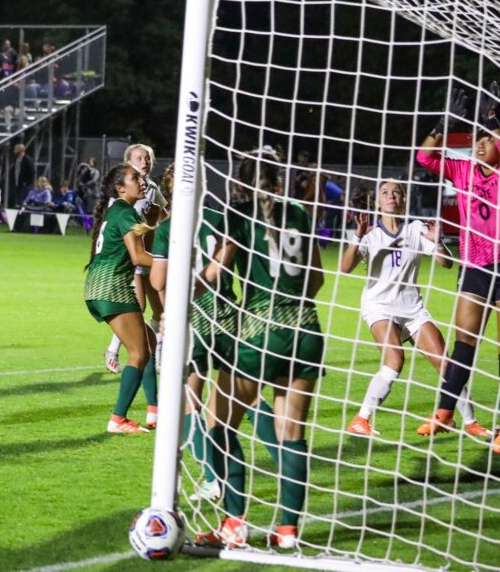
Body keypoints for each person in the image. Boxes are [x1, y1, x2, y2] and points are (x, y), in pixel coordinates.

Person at [196, 152, 324, 549]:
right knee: (292, 433)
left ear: (239, 183)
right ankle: (287, 530)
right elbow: (316, 278)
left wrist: (181, 301)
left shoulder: (238, 215)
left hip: (259, 327)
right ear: (279, 182)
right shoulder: (300, 214)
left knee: (218, 426)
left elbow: (216, 272)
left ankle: (234, 523)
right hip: (304, 328)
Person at [149, 165, 279, 502]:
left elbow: (158, 282)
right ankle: (284, 458)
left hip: (192, 317)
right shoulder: (221, 218)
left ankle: (212, 478)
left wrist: (165, 314)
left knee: (191, 400)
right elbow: (246, 271)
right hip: (229, 313)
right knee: (245, 396)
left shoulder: (167, 229)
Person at [415, 83, 500, 452]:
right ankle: (444, 412)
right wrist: (440, 124)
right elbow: (424, 158)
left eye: (484, 140)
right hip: (475, 266)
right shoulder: (462, 171)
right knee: (464, 342)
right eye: (474, 139)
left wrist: (493, 121)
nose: (479, 145)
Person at [341, 180, 492, 438]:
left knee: (447, 364)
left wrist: (438, 242)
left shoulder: (417, 229)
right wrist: (357, 238)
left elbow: (446, 263)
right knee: (395, 360)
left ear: (403, 200)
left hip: (412, 308)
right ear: (377, 202)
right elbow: (345, 268)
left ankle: (469, 422)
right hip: (379, 306)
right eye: (385, 193)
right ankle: (361, 419)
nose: (391, 196)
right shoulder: (369, 235)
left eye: (396, 192)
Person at [83, 163, 158, 434]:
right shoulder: (125, 212)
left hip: (99, 284)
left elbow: (139, 247)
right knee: (138, 353)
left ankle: (154, 409)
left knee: (147, 342)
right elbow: (139, 257)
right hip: (111, 286)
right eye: (135, 177)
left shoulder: (118, 211)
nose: (142, 181)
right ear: (120, 187)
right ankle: (118, 419)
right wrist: (176, 262)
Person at [105, 144, 167, 373]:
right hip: (134, 258)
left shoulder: (151, 188)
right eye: (140, 158)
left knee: (160, 310)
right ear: (128, 162)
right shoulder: (122, 192)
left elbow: (164, 214)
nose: (145, 161)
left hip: (151, 254)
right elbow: (117, 224)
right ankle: (115, 348)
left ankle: (156, 355)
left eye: (148, 158)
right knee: (138, 305)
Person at [10, 143, 35, 207]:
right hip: (17, 182)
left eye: (16, 149)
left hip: (25, 184)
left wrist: (27, 181)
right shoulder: (16, 159)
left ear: (20, 150)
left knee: (23, 200)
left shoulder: (28, 159)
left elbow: (32, 172)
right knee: (17, 201)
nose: (14, 151)